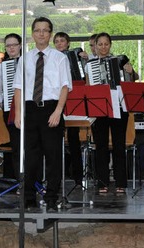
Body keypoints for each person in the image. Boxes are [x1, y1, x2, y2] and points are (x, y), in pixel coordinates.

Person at [14, 17, 72, 210]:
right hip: (30, 110)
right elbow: (18, 88)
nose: (41, 34)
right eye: (37, 30)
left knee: (54, 157)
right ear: (32, 34)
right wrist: (18, 114)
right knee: (31, 157)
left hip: (51, 108)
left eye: (45, 30)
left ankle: (51, 197)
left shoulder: (59, 58)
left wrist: (58, 111)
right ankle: (28, 198)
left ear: (50, 34)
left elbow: (65, 87)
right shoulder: (25, 58)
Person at [89, 32, 140, 194]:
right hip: (99, 108)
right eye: (100, 44)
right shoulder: (90, 65)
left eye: (106, 44)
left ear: (110, 45)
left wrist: (131, 71)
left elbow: (133, 80)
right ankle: (102, 182)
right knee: (100, 146)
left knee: (119, 146)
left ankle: (121, 183)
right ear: (95, 46)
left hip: (119, 107)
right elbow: (89, 87)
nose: (103, 47)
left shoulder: (120, 60)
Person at [53, 31, 84, 185]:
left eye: (62, 41)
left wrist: (84, 59)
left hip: (73, 101)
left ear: (68, 43)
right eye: (57, 41)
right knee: (55, 141)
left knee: (74, 139)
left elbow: (84, 77)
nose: (59, 44)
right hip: (56, 101)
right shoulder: (51, 58)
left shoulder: (75, 56)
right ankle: (58, 175)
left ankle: (78, 176)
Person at [0, 33, 23, 181]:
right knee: (16, 147)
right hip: (10, 111)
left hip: (29, 109)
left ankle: (34, 180)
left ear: (20, 45)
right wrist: (4, 103)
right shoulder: (1, 68)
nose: (11, 48)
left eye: (14, 45)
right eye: (8, 45)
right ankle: (20, 181)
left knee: (31, 147)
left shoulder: (28, 63)